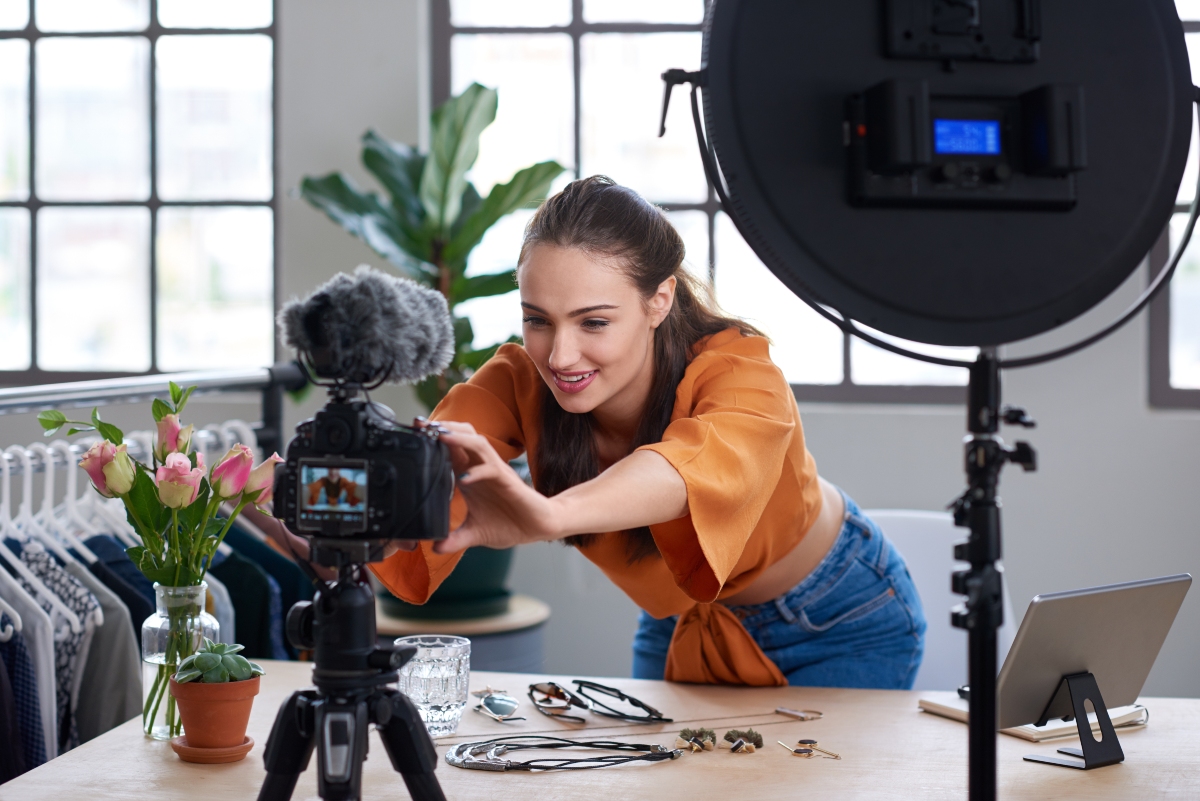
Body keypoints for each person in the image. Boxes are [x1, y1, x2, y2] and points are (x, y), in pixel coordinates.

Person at [374, 175, 926, 688]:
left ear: (658, 300)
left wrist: (548, 515)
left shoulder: (742, 373)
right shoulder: (519, 379)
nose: (560, 355)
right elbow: (417, 470)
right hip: (686, 617)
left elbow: (690, 468)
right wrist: (305, 509)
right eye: (538, 319)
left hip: (834, 613)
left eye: (594, 322)